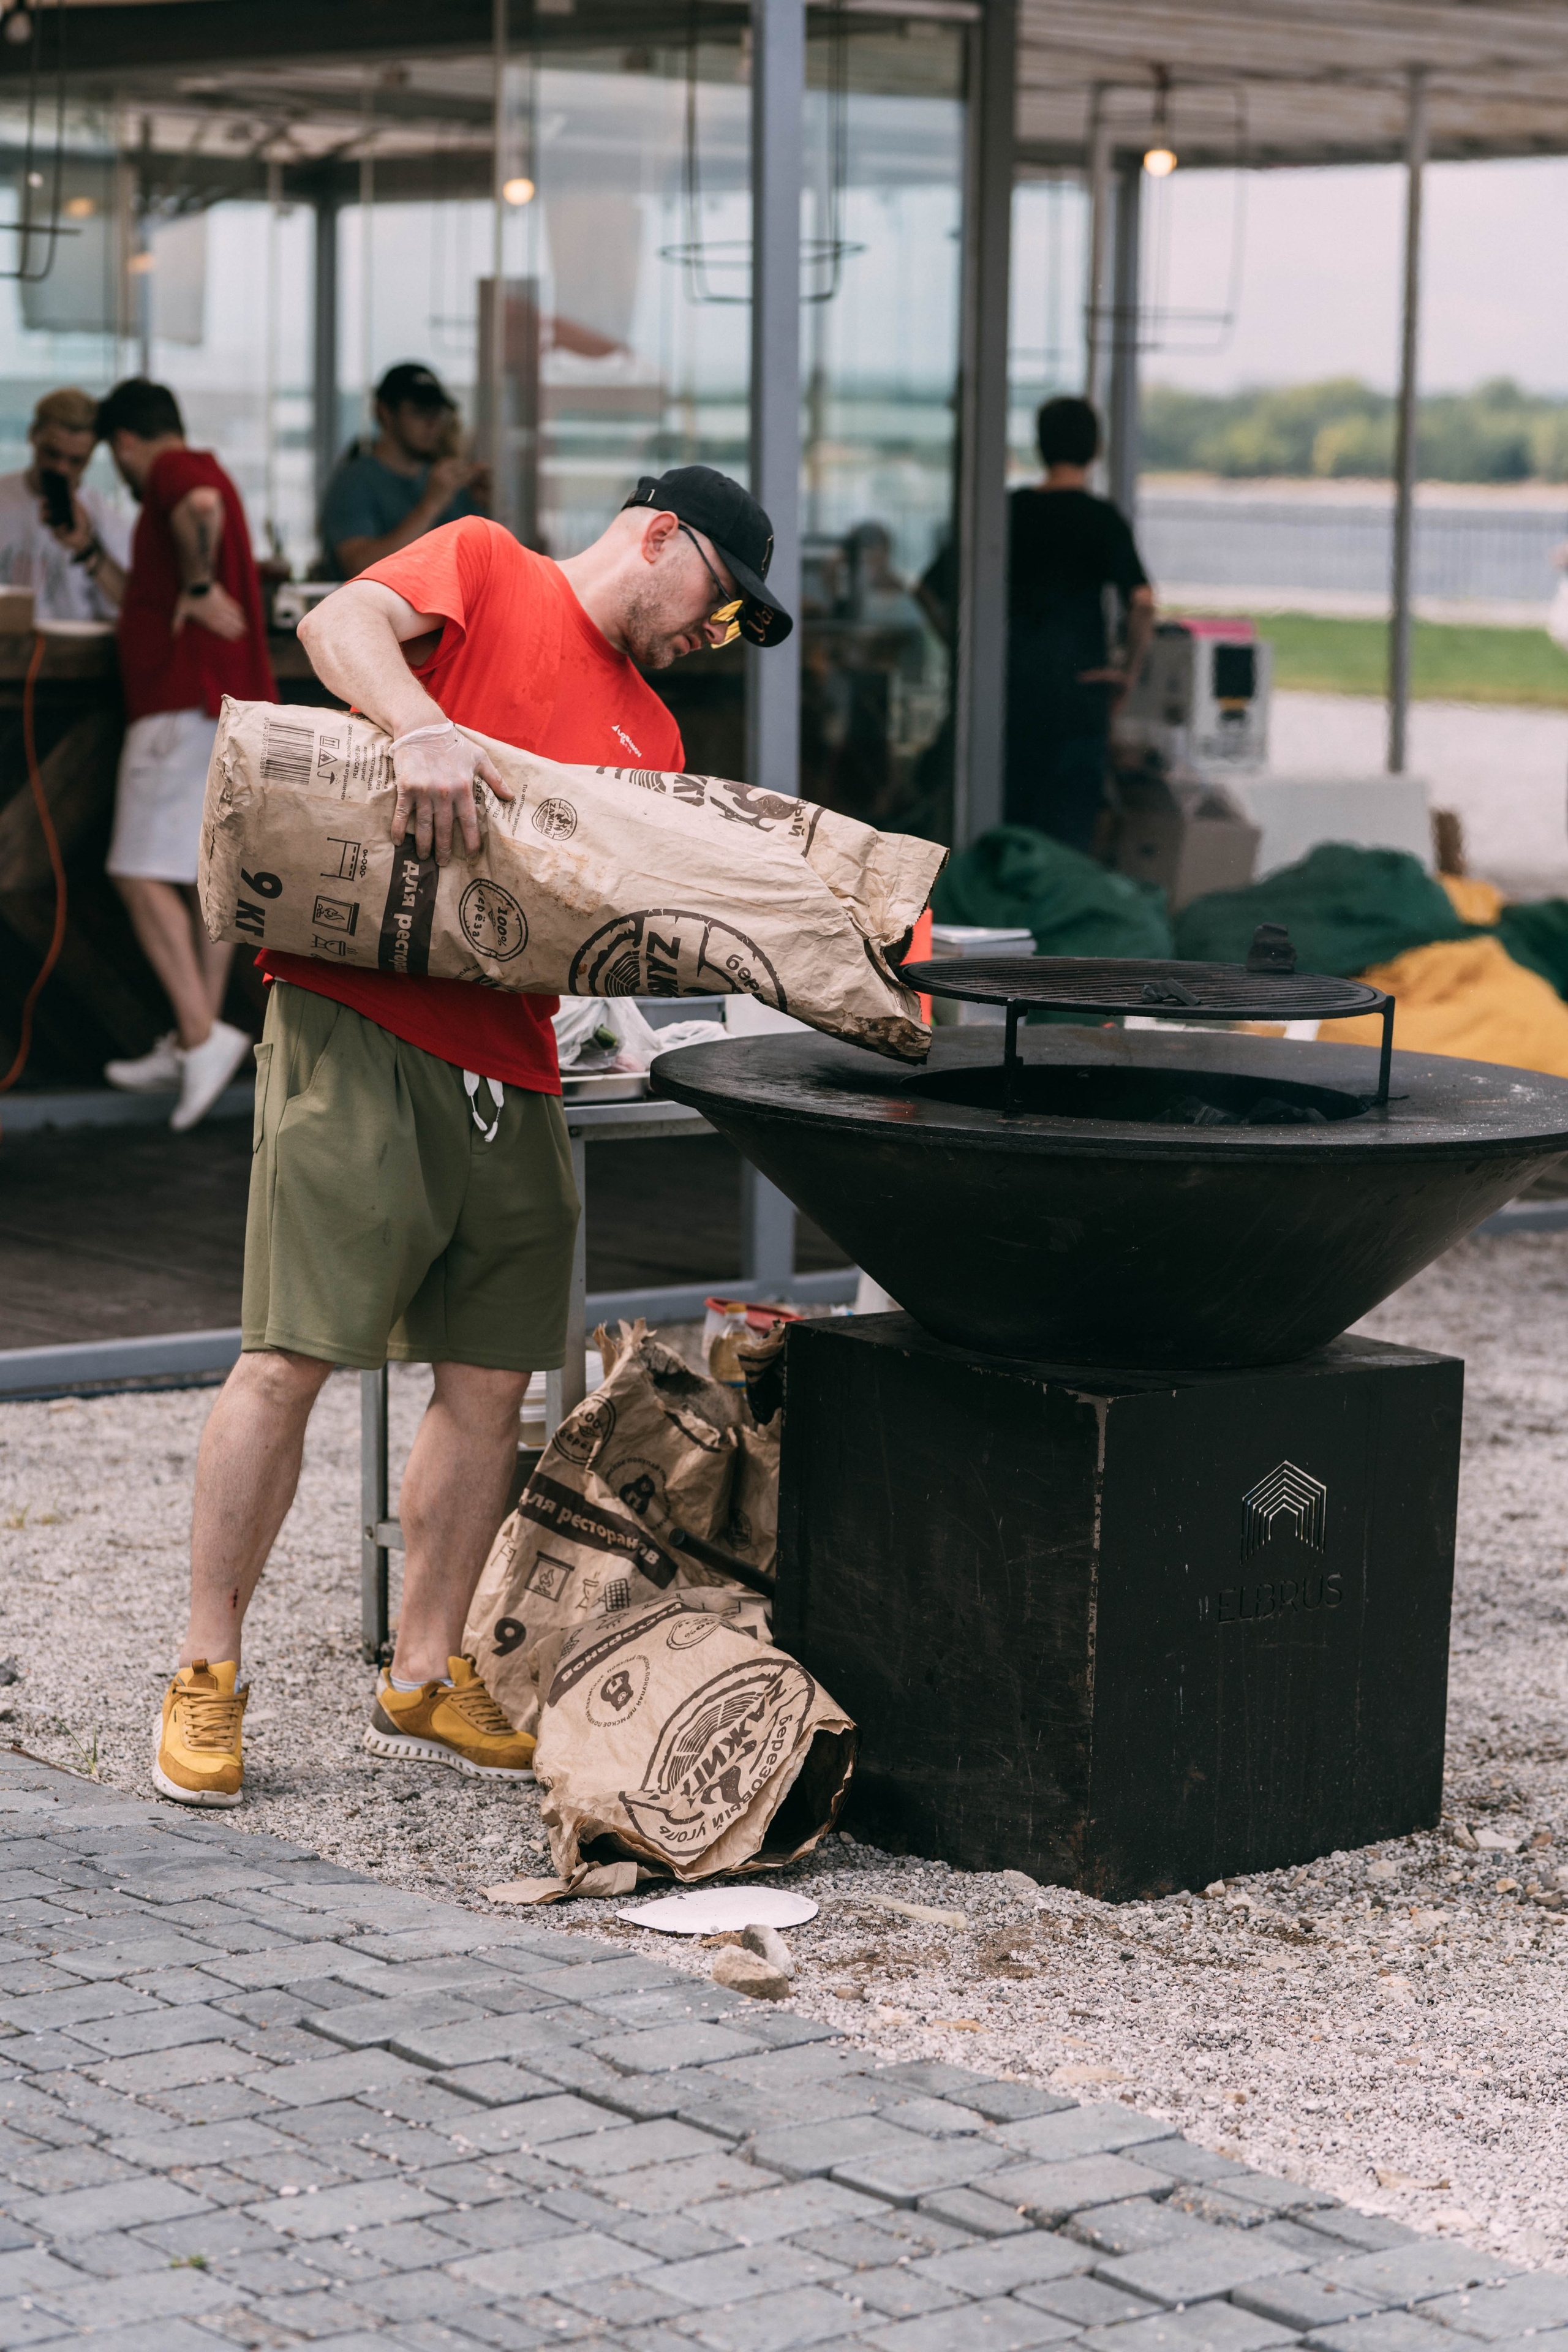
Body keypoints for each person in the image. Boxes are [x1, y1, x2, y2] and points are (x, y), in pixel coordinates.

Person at [152, 464, 793, 1809]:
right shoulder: (488, 566)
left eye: (731, 630)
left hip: (521, 1064)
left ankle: (423, 1671)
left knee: (491, 1379)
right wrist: (417, 728)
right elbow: (334, 626)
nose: (711, 635)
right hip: (356, 1017)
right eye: (717, 605)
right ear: (657, 537)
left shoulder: (656, 738)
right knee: (290, 1355)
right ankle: (205, 1674)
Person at [95, 378, 277, 1131]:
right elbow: (144, 590)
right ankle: (196, 1037)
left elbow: (194, 511)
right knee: (206, 874)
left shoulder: (175, 471)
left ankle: (201, 1038)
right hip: (224, 707)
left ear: (129, 441)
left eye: (115, 455)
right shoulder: (208, 473)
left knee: (137, 873)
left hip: (181, 702)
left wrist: (198, 585)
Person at [1006, 394, 1156, 853]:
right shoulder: (1102, 519)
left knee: (1010, 825)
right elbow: (1143, 602)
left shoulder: (1009, 512)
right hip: (1080, 688)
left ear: (1040, 446)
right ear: (1097, 449)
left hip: (1012, 687)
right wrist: (1128, 672)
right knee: (1067, 835)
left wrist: (966, 655)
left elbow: (932, 590)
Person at [319, 362, 488, 581]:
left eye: (437, 413)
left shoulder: (445, 481)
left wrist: (486, 508)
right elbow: (359, 568)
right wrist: (430, 506)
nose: (432, 423)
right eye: (419, 412)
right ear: (385, 413)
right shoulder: (354, 482)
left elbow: (479, 565)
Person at [0, 386, 132, 622]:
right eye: (52, 454)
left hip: (74, 652)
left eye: (76, 461)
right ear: (33, 435)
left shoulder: (105, 519)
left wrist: (86, 547)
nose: (62, 469)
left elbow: (129, 605)